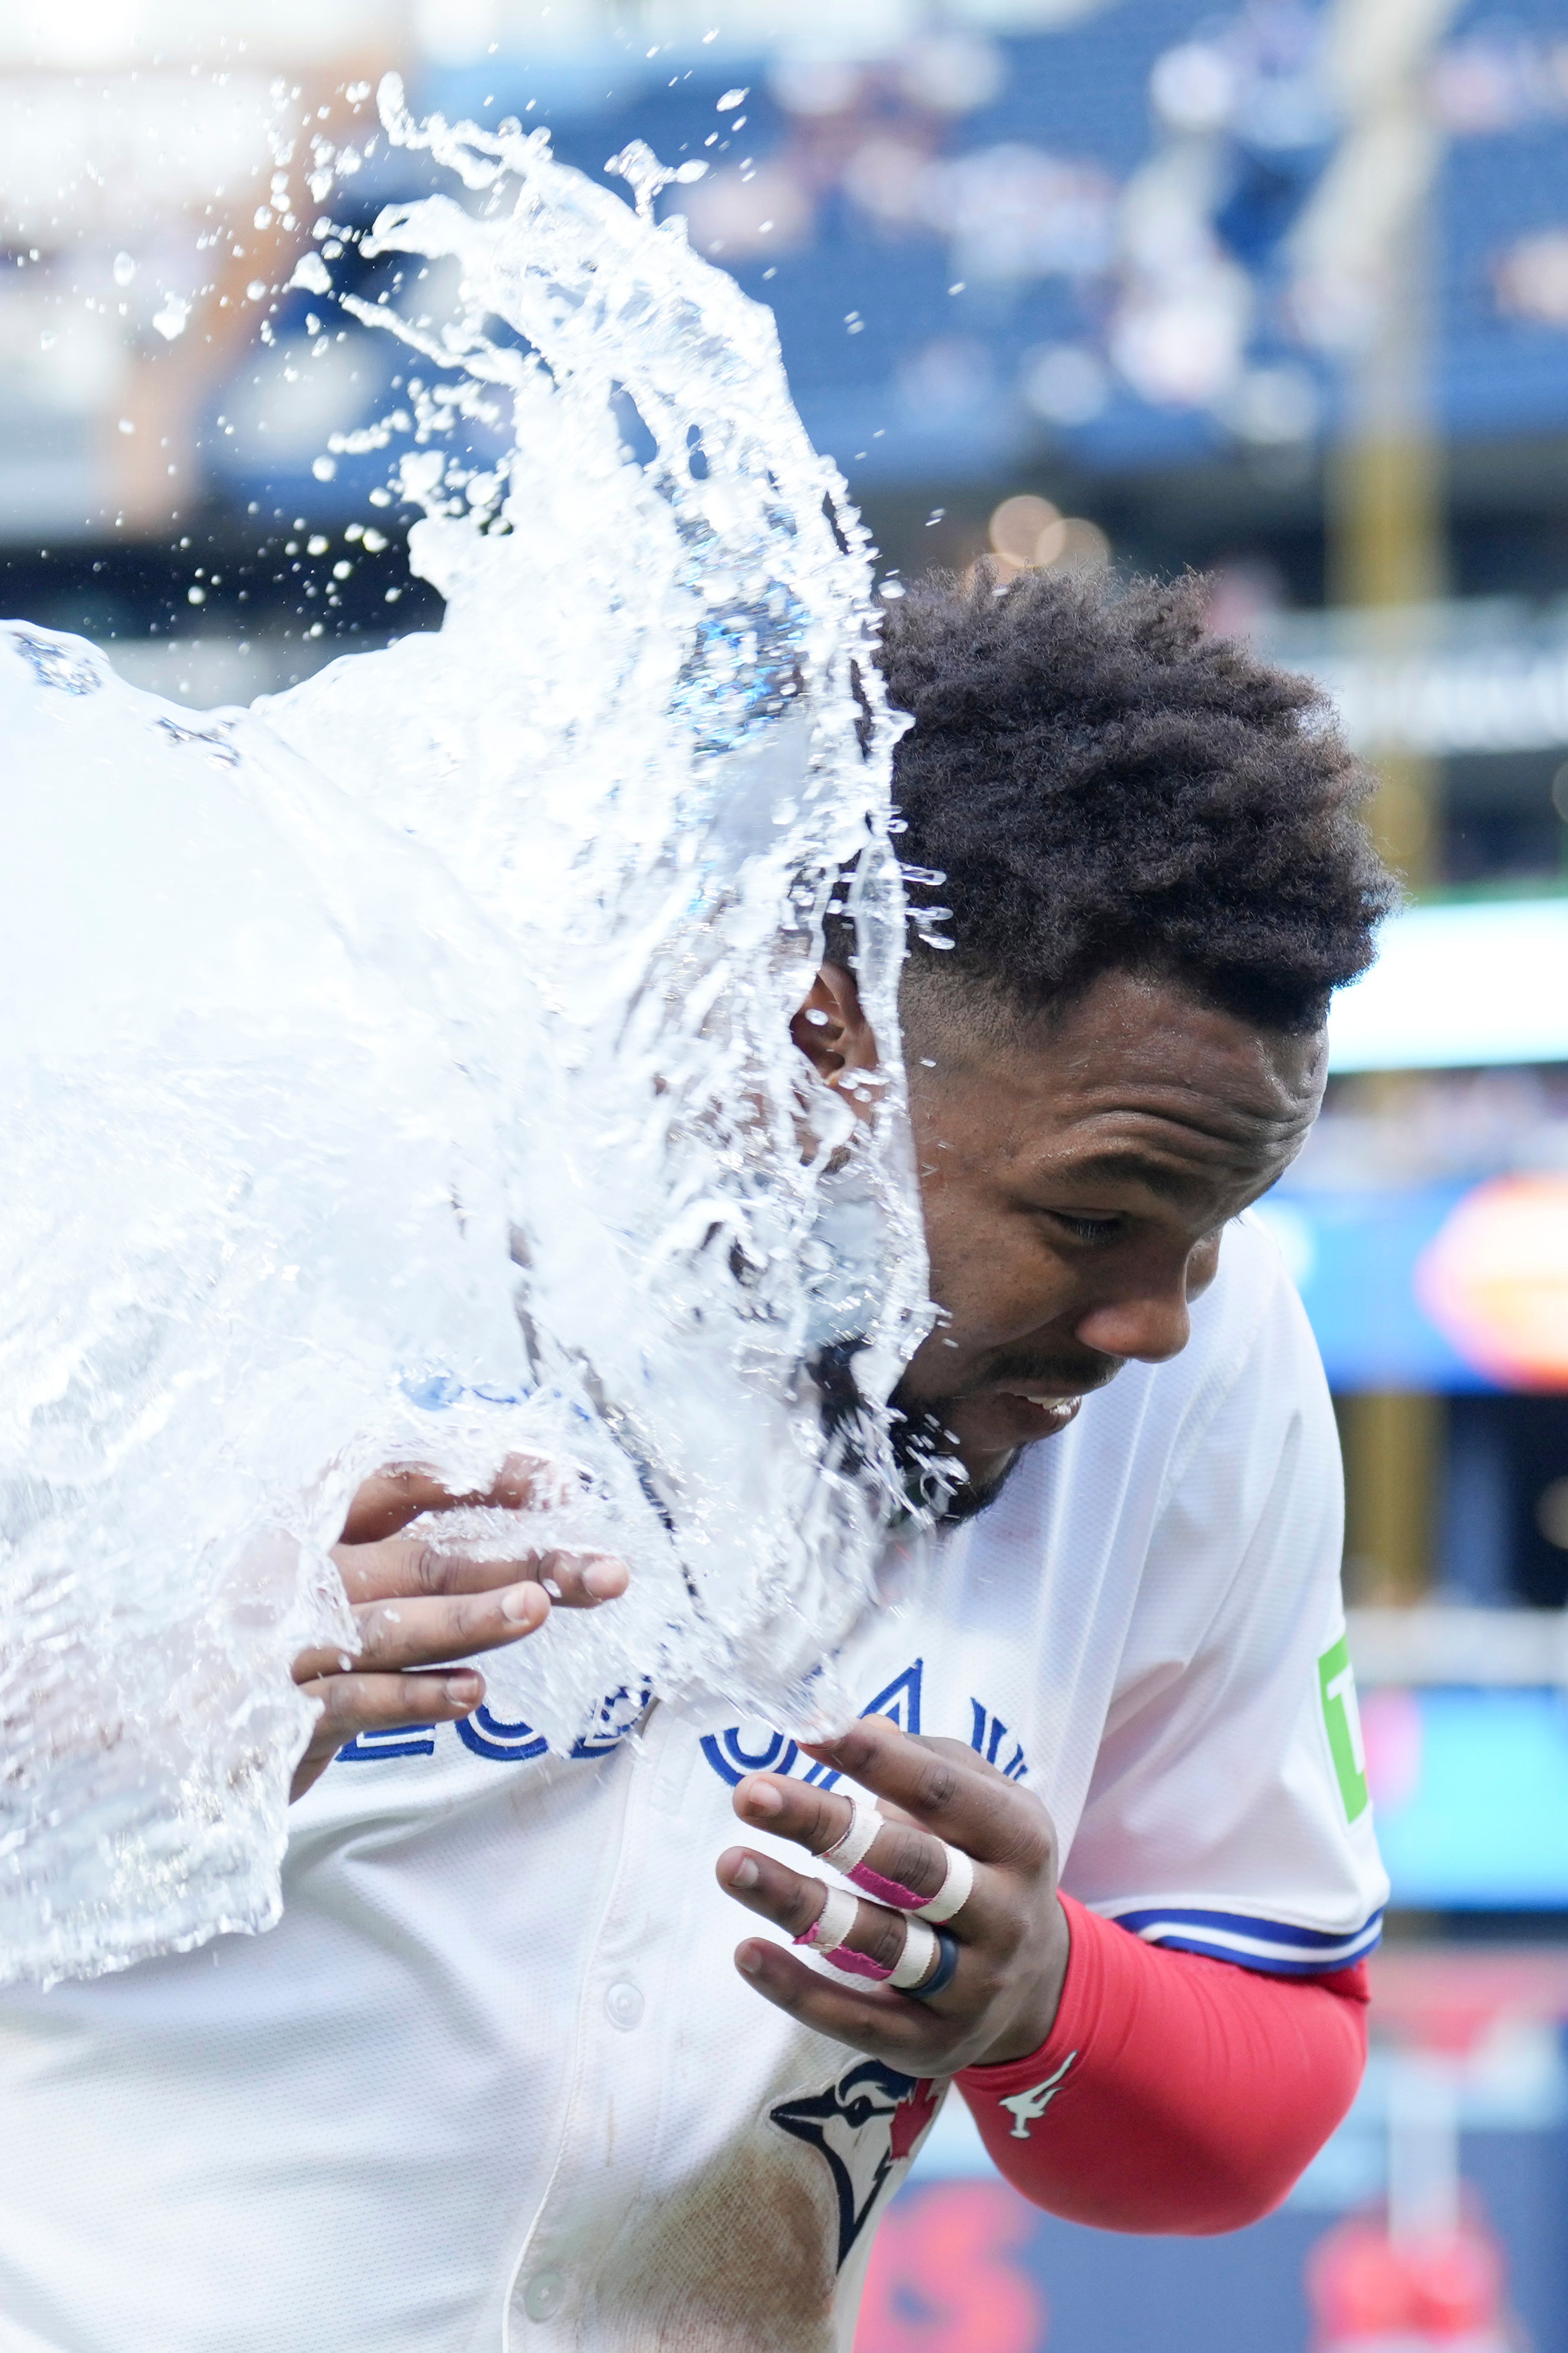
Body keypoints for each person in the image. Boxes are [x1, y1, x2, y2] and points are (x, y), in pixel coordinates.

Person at [0, 568, 1393, 2353]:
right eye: (1096, 1213)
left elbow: (1263, 2067)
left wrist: (1044, 1998)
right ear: (832, 1047)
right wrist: (142, 1681)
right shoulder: (287, 1161)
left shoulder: (1200, 1356)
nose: (1161, 1316)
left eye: (1220, 1220)